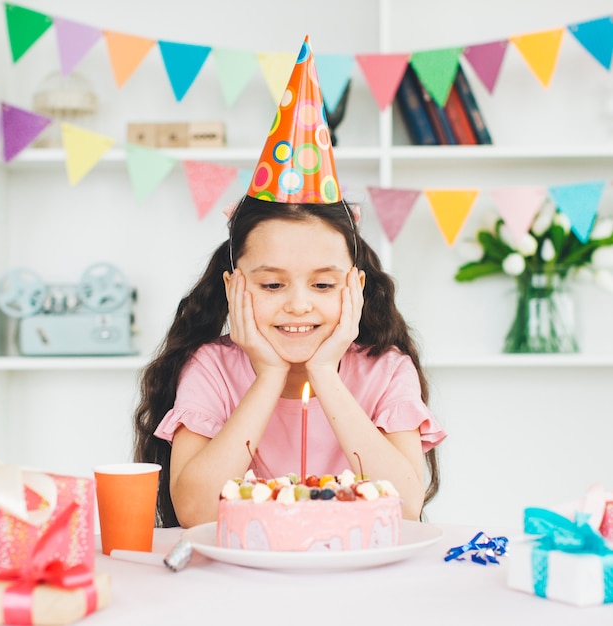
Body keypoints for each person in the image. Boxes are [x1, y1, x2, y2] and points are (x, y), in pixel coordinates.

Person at [133, 36, 446, 528]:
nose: (298, 305)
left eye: (323, 286)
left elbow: (406, 506)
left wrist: (324, 371)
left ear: (356, 287)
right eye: (272, 286)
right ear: (234, 285)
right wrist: (268, 375)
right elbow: (192, 512)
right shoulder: (212, 369)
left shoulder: (385, 372)